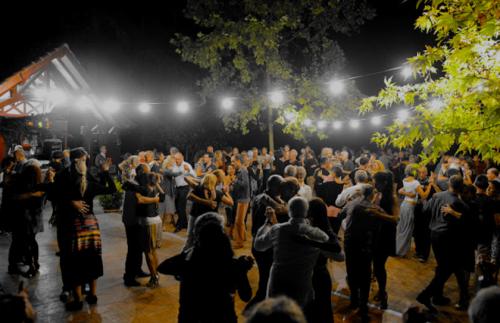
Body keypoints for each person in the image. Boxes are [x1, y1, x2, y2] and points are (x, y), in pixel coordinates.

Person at [158, 212, 254, 323]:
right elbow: (246, 295)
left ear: (198, 236)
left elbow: (162, 267)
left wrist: (190, 252)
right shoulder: (233, 265)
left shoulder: (187, 261)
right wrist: (243, 269)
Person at [52, 147, 116, 311]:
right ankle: (92, 295)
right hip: (90, 225)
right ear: (80, 160)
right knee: (92, 258)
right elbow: (111, 189)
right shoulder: (87, 180)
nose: (87, 161)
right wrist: (106, 172)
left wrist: (70, 202)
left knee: (75, 261)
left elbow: (55, 196)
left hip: (74, 226)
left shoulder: (63, 177)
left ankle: (78, 298)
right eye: (85, 158)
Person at [254, 197, 329, 310]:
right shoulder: (318, 235)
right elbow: (337, 254)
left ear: (289, 211)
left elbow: (258, 245)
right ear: (307, 212)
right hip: (301, 285)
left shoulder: (277, 229)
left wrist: (268, 222)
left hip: (278, 283)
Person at [343, 184, 398, 319]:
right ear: (372, 195)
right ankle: (363, 307)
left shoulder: (353, 203)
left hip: (349, 242)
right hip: (364, 245)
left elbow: (341, 215)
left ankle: (353, 301)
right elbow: (393, 220)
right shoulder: (373, 208)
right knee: (365, 276)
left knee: (351, 272)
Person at [416, 175, 470, 312]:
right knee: (447, 269)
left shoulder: (437, 196)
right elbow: (467, 221)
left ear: (449, 183)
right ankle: (426, 295)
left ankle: (437, 296)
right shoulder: (459, 203)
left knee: (443, 268)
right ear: (461, 187)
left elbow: (425, 211)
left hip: (434, 235)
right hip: (449, 238)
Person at [245, 175, 287, 311]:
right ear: (275, 187)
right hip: (265, 246)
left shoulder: (259, 197)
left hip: (258, 243)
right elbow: (282, 211)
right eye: (281, 186)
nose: (282, 189)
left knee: (266, 278)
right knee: (266, 279)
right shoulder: (268, 201)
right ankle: (256, 308)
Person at [306, 198, 342, 323]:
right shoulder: (326, 230)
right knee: (323, 310)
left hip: (308, 275)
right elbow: (340, 256)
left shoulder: (304, 228)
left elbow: (340, 256)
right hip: (319, 275)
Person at [372, 171, 400, 309]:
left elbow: (395, 218)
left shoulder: (392, 197)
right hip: (375, 233)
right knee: (376, 265)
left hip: (385, 235)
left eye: (376, 182)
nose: (374, 184)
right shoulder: (377, 194)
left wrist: (378, 214)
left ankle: (382, 292)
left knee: (379, 265)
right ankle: (379, 288)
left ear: (384, 183)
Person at [184, 173, 233, 249]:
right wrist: (226, 192)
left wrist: (201, 180)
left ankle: (186, 256)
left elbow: (186, 178)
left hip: (196, 216)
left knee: (190, 239)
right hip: (207, 219)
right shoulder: (217, 193)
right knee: (206, 241)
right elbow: (231, 202)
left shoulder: (198, 188)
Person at [134, 171, 164, 288]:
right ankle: (156, 274)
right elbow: (163, 196)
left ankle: (154, 277)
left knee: (148, 251)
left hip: (148, 222)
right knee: (153, 250)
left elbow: (140, 200)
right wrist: (157, 183)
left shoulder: (144, 190)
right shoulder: (156, 188)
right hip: (156, 221)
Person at [396, 165, 433, 257]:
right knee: (407, 229)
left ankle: (397, 247)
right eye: (418, 171)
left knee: (402, 227)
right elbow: (424, 196)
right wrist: (430, 186)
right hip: (410, 206)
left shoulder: (405, 179)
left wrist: (406, 193)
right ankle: (400, 251)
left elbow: (402, 190)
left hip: (404, 204)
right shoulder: (415, 182)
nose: (419, 173)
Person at [170, 152, 195, 233]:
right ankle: (185, 223)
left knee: (181, 207)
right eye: (176, 159)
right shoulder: (174, 165)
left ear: (182, 158)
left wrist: (188, 170)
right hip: (177, 188)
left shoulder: (186, 165)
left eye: (178, 159)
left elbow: (194, 175)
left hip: (184, 188)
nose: (177, 161)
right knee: (178, 207)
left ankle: (179, 225)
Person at [230, 154, 251, 249]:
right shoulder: (240, 171)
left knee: (238, 221)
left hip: (243, 199)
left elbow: (245, 185)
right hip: (241, 198)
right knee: (240, 221)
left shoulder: (243, 170)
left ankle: (239, 242)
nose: (232, 163)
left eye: (233, 161)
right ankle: (244, 237)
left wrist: (235, 181)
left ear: (238, 161)